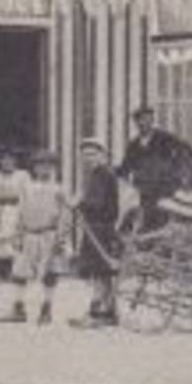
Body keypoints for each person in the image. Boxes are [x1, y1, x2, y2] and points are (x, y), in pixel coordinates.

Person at [0, 151, 64, 325]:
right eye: (39, 165)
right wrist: (17, 235)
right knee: (20, 271)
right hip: (29, 234)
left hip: (48, 234)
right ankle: (18, 307)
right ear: (34, 168)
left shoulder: (58, 189)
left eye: (48, 166)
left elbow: (63, 217)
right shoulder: (26, 188)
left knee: (50, 272)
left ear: (53, 168)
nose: (43, 169)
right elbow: (20, 213)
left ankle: (47, 307)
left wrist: (61, 238)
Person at [69, 136, 121, 328]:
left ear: (102, 155)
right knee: (104, 273)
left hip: (99, 229)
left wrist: (77, 202)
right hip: (102, 228)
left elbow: (96, 204)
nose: (88, 159)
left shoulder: (101, 174)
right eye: (85, 155)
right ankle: (109, 312)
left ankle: (96, 313)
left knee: (98, 273)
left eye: (92, 154)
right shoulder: (101, 174)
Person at [118, 106, 192, 230]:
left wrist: (179, 172)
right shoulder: (133, 145)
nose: (144, 123)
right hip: (144, 189)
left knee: (162, 218)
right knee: (144, 219)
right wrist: (113, 173)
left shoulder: (165, 138)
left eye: (147, 120)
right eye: (140, 121)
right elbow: (125, 167)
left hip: (165, 187)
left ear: (152, 121)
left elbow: (185, 150)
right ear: (136, 123)